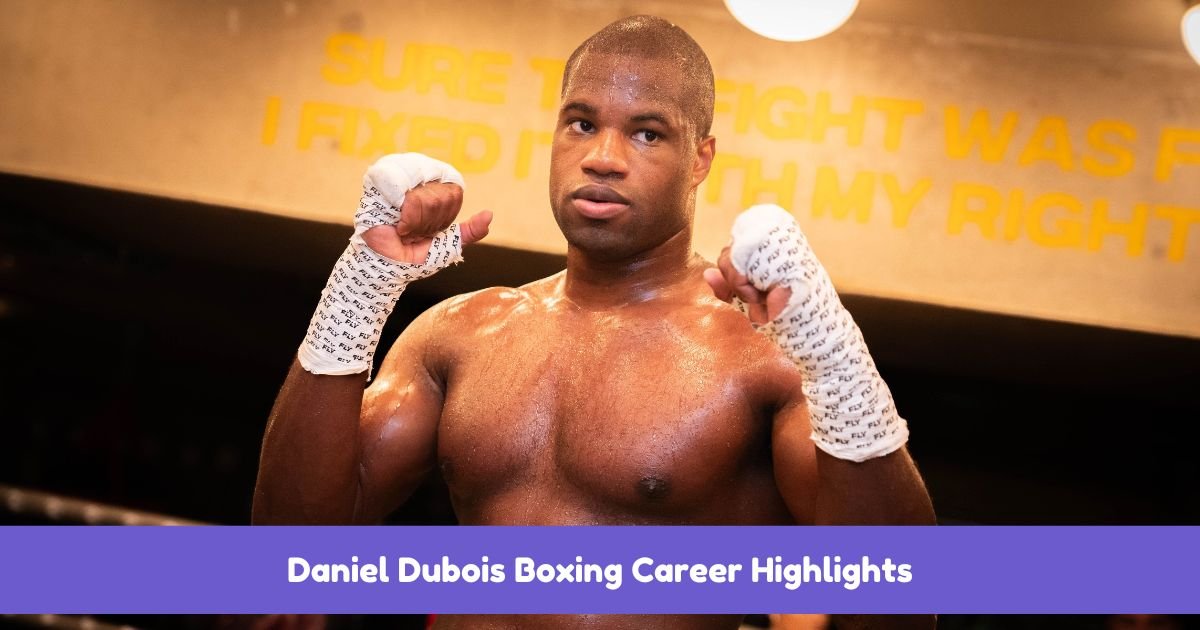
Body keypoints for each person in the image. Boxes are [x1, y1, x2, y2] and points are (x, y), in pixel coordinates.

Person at [254, 14, 935, 630]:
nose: (603, 156)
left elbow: (897, 613)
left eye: (646, 132)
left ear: (700, 158)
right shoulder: (461, 333)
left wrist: (834, 358)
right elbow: (291, 547)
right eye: (581, 122)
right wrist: (360, 286)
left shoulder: (760, 359)